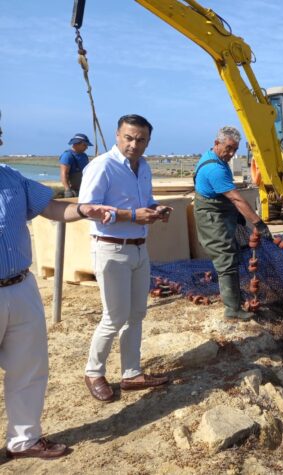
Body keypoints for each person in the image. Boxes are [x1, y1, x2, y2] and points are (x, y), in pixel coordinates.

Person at [1, 111, 115, 459]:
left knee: (29, 366)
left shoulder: (11, 178)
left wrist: (86, 210)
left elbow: (51, 208)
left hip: (20, 286)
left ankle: (24, 440)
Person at [78, 114, 173, 403]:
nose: (134, 144)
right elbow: (86, 207)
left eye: (140, 139)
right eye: (128, 137)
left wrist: (156, 209)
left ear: (148, 141)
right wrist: (131, 216)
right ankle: (94, 372)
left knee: (136, 314)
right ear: (117, 136)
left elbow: (145, 201)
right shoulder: (102, 166)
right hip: (111, 248)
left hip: (139, 248)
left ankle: (131, 373)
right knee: (114, 316)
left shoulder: (143, 167)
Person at [193, 126, 273, 320]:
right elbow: (236, 199)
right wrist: (258, 223)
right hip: (213, 219)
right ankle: (233, 309)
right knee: (226, 260)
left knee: (232, 254)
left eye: (235, 149)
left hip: (223, 215)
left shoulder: (218, 160)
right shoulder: (214, 168)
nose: (231, 153)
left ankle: (235, 299)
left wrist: (236, 216)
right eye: (228, 148)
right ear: (216, 143)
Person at [59, 133, 92, 197]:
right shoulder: (67, 156)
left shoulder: (84, 156)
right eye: (84, 145)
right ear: (76, 144)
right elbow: (64, 174)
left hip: (84, 190)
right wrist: (67, 190)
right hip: (73, 191)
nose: (87, 147)